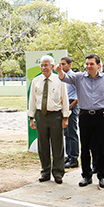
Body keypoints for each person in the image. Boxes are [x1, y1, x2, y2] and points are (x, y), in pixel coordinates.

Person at [57, 54, 104, 188]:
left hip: (100, 116)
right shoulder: (79, 77)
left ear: (98, 65)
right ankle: (86, 176)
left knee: (102, 148)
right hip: (84, 116)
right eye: (87, 64)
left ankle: (102, 176)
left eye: (91, 64)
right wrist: (59, 71)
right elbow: (64, 78)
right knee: (85, 147)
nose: (88, 66)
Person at [28, 55, 70, 184]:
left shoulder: (60, 80)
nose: (43, 67)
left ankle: (58, 173)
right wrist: (31, 117)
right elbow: (32, 100)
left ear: (52, 66)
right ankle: (45, 172)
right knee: (43, 145)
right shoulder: (36, 80)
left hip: (55, 115)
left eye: (46, 65)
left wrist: (65, 117)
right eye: (42, 65)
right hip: (41, 115)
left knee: (57, 145)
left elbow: (65, 99)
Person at [60, 57, 79, 168]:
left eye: (64, 64)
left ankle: (74, 158)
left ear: (70, 65)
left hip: (71, 105)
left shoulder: (73, 77)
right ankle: (69, 155)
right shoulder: (62, 77)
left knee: (72, 132)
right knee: (66, 132)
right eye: (61, 64)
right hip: (64, 105)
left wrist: (71, 106)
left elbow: (78, 94)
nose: (62, 66)